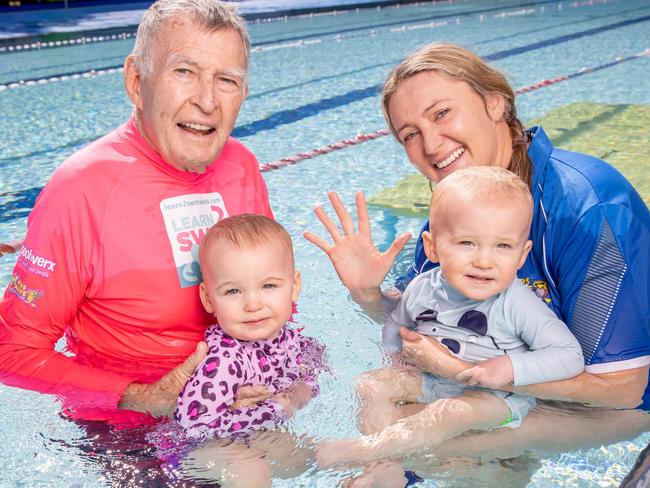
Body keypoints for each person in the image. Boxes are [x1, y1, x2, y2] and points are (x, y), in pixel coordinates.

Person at [304, 43, 650, 465]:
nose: (430, 145)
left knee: (433, 448)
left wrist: (457, 373)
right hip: (511, 380)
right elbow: (427, 321)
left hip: (618, 400)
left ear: (495, 103)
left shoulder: (587, 208)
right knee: (389, 410)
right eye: (409, 134)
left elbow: (624, 387)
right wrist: (368, 294)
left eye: (442, 113)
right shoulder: (454, 213)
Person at [0, 0, 273, 422]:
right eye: (184, 72)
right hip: (132, 432)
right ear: (135, 80)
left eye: (226, 80)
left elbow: (272, 302)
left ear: (244, 94)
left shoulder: (242, 167)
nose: (206, 100)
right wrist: (144, 397)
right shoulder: (81, 190)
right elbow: (13, 352)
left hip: (240, 403)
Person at [316, 167, 584, 484]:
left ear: (523, 254)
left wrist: (510, 367)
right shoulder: (421, 287)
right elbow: (395, 324)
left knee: (455, 412)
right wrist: (394, 361)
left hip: (498, 400)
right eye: (468, 243)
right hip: (433, 383)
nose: (485, 260)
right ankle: (386, 470)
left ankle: (371, 451)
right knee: (371, 385)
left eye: (503, 246)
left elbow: (569, 355)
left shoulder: (517, 303)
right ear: (433, 247)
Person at [173, 214, 324, 487]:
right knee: (251, 471)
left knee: (305, 454)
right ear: (209, 299)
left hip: (248, 436)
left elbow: (313, 359)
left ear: (294, 287)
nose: (252, 304)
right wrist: (275, 409)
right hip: (195, 456)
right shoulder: (222, 361)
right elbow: (194, 429)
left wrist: (304, 388)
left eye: (268, 286)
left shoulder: (289, 339)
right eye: (233, 291)